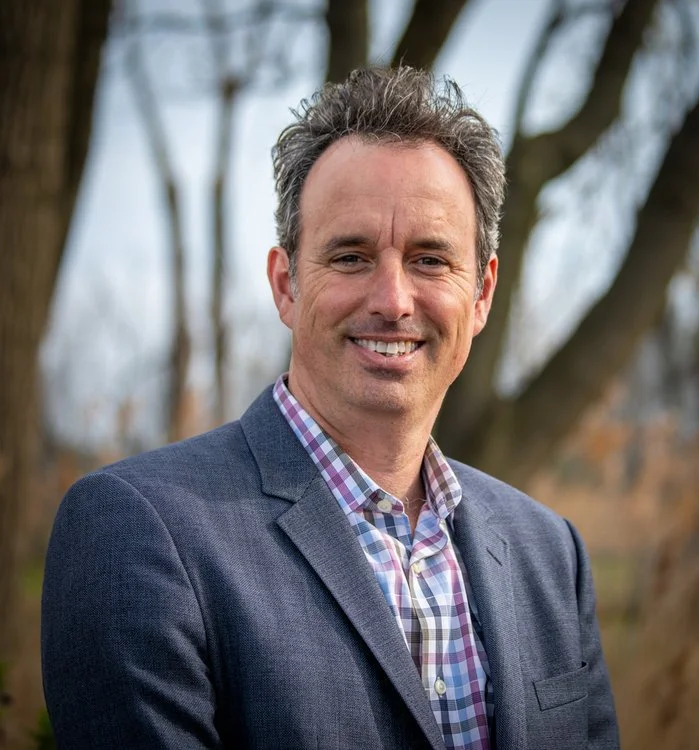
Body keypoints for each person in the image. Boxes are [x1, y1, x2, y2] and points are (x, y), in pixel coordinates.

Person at [42, 66, 619, 750]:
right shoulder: (137, 534)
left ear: (482, 295)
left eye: (430, 260)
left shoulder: (550, 553)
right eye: (350, 257)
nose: (393, 301)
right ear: (286, 285)